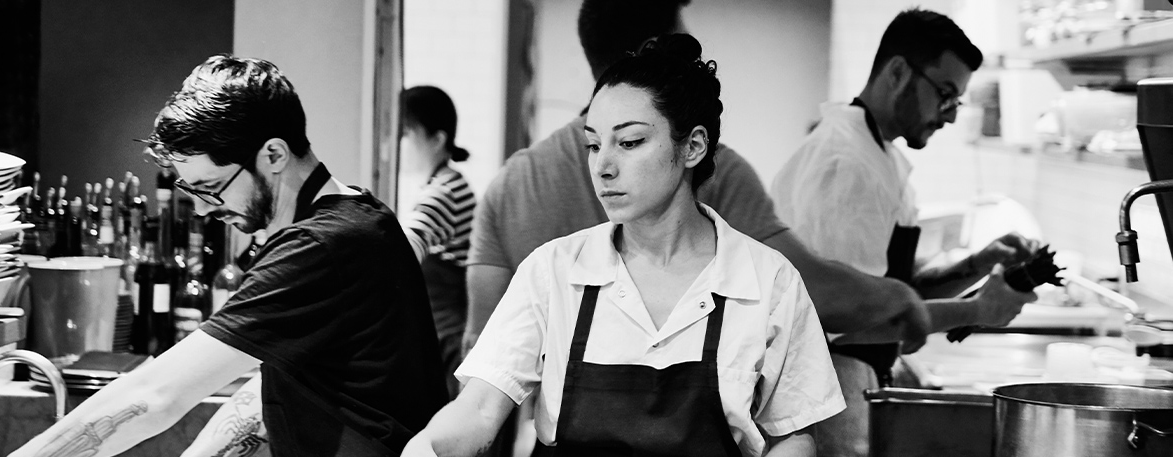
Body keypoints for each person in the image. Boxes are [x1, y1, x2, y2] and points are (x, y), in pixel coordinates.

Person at [404, 34, 843, 457]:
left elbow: (794, 435)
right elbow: (479, 408)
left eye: (629, 142)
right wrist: (428, 445)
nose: (603, 167)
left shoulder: (769, 282)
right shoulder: (554, 270)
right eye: (594, 144)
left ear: (692, 146)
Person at [10, 54, 448, 457]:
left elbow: (154, 395)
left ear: (273, 154)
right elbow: (267, 392)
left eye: (210, 187)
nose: (201, 209)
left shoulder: (321, 247)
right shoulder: (361, 216)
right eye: (189, 190)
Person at [464, 0, 931, 360]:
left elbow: (480, 346)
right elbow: (811, 294)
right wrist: (898, 297)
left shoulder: (512, 185)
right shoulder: (710, 169)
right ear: (656, 56)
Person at [770, 9, 1038, 457]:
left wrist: (977, 265)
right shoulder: (848, 166)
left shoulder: (878, 156)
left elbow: (893, 289)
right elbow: (853, 316)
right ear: (898, 72)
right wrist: (979, 309)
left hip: (850, 378)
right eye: (945, 94)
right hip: (827, 390)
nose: (949, 115)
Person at [398, 85, 477, 396]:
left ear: (437, 139)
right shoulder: (449, 184)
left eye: (405, 133)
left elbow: (403, 250)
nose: (398, 142)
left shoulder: (445, 192)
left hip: (449, 340)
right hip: (443, 334)